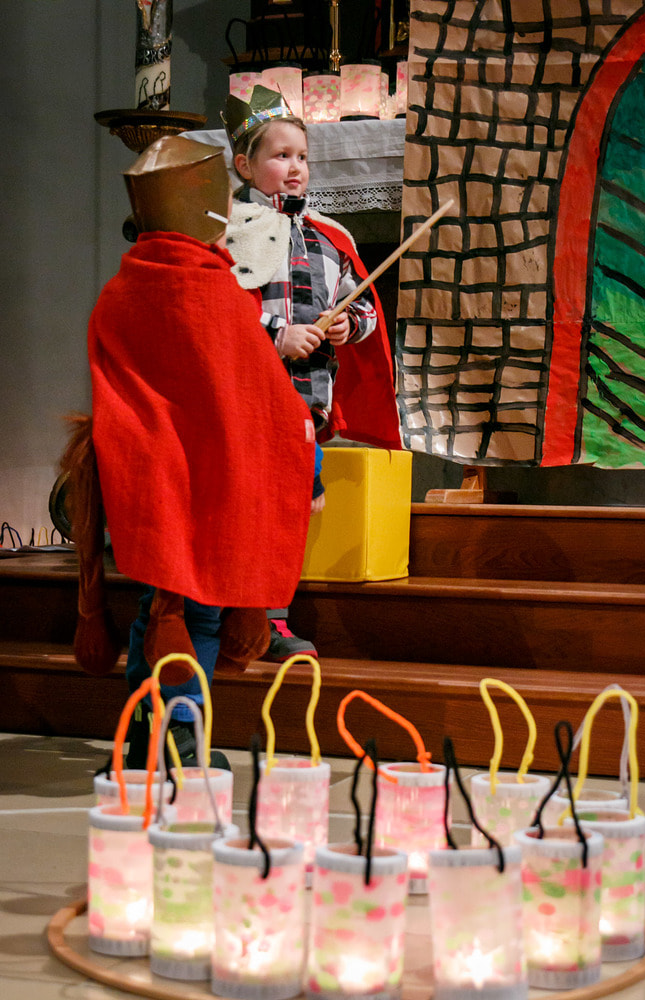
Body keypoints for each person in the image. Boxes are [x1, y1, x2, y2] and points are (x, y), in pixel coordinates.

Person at [63, 136, 315, 767]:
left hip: (141, 482)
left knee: (156, 604)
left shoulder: (120, 291)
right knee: (198, 610)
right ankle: (180, 733)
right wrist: (297, 445)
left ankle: (140, 735)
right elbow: (256, 396)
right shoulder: (214, 293)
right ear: (206, 207)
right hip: (205, 483)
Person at [221, 85, 403, 661]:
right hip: (252, 400)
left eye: (302, 156)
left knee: (290, 511)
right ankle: (234, 613)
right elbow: (220, 314)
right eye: (280, 156)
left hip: (307, 400)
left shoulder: (329, 237)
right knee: (250, 508)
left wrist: (352, 325)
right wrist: (277, 336)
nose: (295, 167)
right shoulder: (233, 233)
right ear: (245, 165)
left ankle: (271, 616)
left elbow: (361, 301)